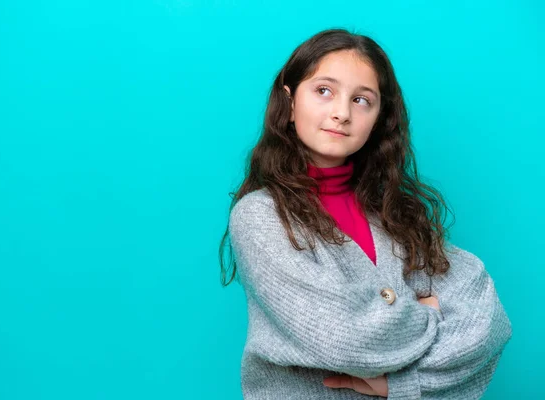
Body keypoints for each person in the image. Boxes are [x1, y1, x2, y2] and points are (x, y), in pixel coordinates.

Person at [218, 28, 512, 399]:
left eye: (361, 100)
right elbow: (342, 338)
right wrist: (431, 312)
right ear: (290, 103)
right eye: (323, 91)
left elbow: (487, 318)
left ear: (378, 118)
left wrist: (399, 383)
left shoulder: (395, 214)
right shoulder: (260, 217)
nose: (341, 113)